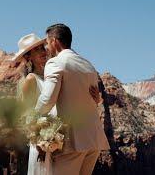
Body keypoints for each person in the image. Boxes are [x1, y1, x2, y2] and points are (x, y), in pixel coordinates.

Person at [12, 33, 103, 175]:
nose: (43, 52)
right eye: (37, 50)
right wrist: (40, 142)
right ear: (28, 57)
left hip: (58, 141)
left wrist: (96, 100)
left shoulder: (53, 73)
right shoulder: (31, 79)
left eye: (42, 48)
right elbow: (26, 116)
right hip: (43, 143)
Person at [35, 24, 110, 175]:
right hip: (93, 139)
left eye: (47, 43)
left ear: (54, 41)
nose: (47, 48)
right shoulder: (88, 65)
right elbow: (94, 99)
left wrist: (34, 115)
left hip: (72, 140)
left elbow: (47, 99)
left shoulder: (56, 63)